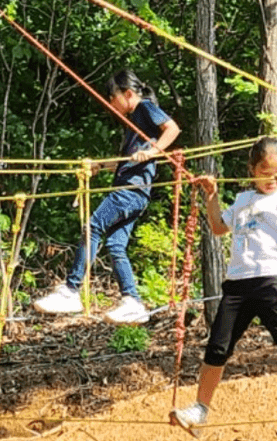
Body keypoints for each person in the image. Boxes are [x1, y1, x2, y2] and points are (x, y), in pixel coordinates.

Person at [169, 136, 277, 437]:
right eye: (265, 172)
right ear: (252, 170)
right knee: (218, 346)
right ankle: (200, 409)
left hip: (270, 278)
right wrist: (212, 195)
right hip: (237, 283)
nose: (271, 179)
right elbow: (219, 228)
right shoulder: (243, 200)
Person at [34, 70, 180, 325]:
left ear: (128, 94)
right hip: (135, 192)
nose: (110, 104)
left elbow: (172, 128)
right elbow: (126, 161)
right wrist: (101, 165)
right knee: (115, 245)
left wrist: (152, 152)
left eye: (112, 97)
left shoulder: (145, 108)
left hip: (130, 190)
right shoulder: (134, 123)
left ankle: (71, 290)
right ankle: (132, 301)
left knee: (92, 227)